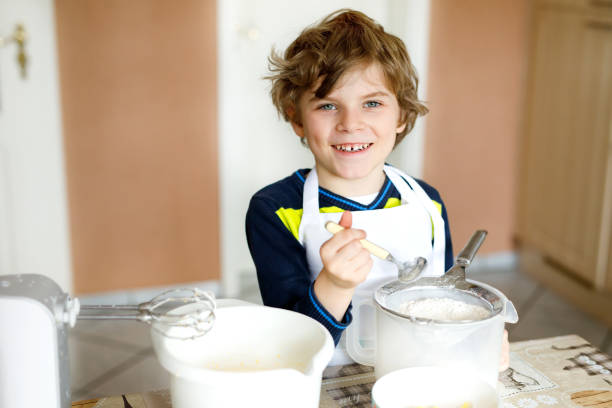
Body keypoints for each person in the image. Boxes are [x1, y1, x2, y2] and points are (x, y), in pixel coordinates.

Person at [245, 9, 453, 365]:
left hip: (417, 375)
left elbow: (448, 306)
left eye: (372, 103)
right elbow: (294, 350)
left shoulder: (426, 202)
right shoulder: (274, 210)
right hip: (324, 384)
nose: (350, 124)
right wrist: (335, 285)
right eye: (328, 105)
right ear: (297, 119)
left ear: (401, 116)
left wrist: (477, 339)